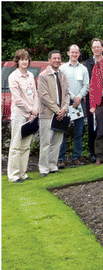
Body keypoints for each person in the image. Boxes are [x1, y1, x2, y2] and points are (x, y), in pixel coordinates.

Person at [7, 49, 39, 183]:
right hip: (19, 115)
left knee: (26, 146)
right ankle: (14, 175)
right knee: (16, 145)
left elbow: (35, 94)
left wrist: (35, 110)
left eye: (26, 59)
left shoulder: (31, 75)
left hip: (31, 115)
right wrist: (31, 110)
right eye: (22, 59)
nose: (24, 61)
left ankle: (22, 173)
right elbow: (18, 99)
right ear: (17, 61)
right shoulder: (13, 76)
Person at [58, 44, 90, 167]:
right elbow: (62, 85)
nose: (75, 54)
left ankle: (76, 157)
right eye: (72, 52)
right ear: (68, 53)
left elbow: (86, 85)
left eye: (77, 52)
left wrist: (79, 97)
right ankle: (61, 158)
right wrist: (73, 97)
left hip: (79, 103)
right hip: (65, 102)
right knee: (63, 131)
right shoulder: (62, 68)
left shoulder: (83, 69)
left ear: (79, 54)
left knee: (79, 130)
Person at [83, 38, 103, 162]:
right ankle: (93, 153)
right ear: (92, 49)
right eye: (94, 47)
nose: (96, 49)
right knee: (92, 127)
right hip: (91, 99)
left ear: (102, 48)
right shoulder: (87, 64)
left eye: (98, 47)